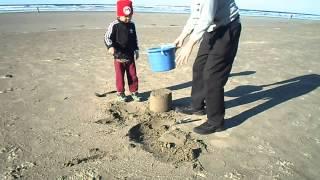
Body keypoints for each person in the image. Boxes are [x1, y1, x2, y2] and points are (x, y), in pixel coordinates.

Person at [174, 0, 242, 134]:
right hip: (212, 29)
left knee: (212, 75)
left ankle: (216, 122)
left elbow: (206, 18)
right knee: (199, 67)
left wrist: (190, 44)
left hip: (228, 27)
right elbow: (196, 15)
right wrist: (183, 36)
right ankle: (197, 106)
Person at [104, 0, 141, 102]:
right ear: (119, 15)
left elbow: (134, 39)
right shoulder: (114, 25)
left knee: (133, 75)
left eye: (130, 16)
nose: (128, 19)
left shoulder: (132, 25)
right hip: (119, 56)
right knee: (120, 76)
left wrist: (136, 49)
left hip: (130, 56)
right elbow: (107, 37)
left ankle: (134, 92)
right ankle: (120, 93)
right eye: (125, 16)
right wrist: (110, 47)